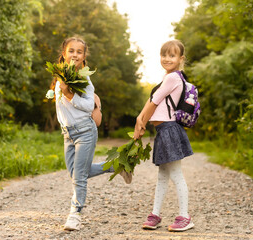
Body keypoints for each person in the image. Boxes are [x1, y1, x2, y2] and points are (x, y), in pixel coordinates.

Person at [49, 36, 132, 231]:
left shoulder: (84, 78)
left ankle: (75, 214)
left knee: (78, 177)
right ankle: (117, 165)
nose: (75, 55)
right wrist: (54, 92)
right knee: (76, 173)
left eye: (79, 52)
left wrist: (69, 94)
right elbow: (59, 102)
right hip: (67, 133)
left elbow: (88, 106)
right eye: (71, 51)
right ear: (64, 54)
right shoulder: (61, 76)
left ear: (84, 56)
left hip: (85, 131)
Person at [133, 40, 194, 232]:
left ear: (181, 59)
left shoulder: (173, 78)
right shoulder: (169, 78)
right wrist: (140, 119)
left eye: (172, 55)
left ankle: (185, 216)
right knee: (162, 176)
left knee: (175, 174)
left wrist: (140, 122)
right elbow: (152, 99)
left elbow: (153, 102)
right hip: (163, 131)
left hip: (169, 130)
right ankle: (155, 214)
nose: (167, 59)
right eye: (164, 55)